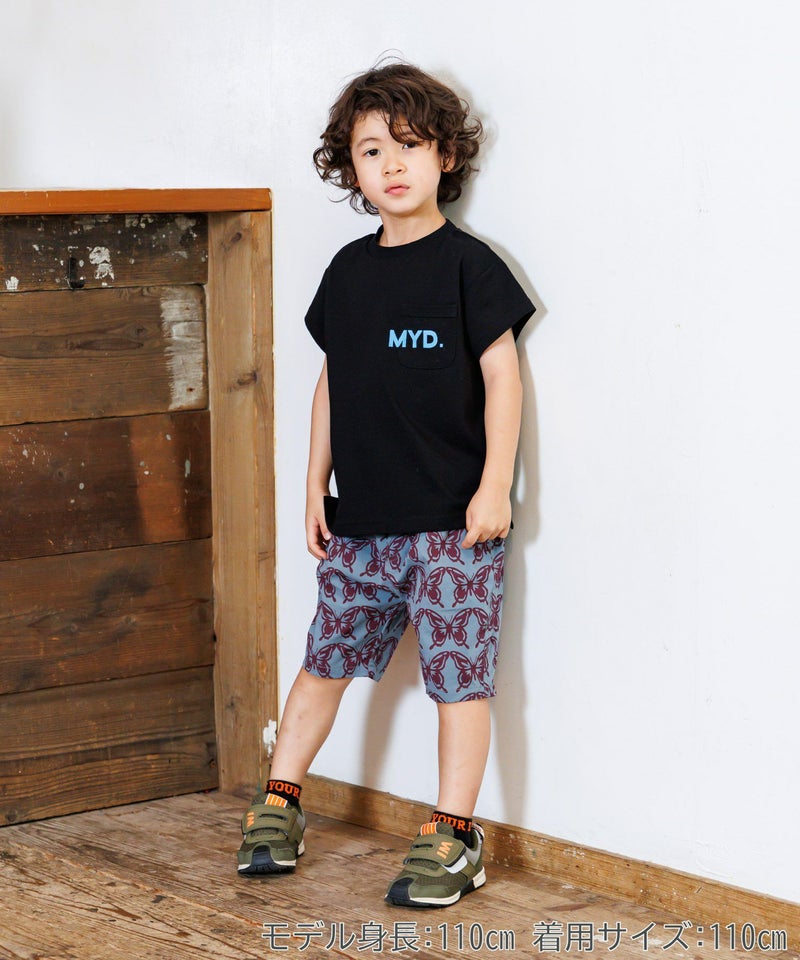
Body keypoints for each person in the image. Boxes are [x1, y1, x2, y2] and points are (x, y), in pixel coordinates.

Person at [237, 60, 535, 908]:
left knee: (458, 680)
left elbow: (503, 379)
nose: (393, 164)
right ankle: (281, 801)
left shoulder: (470, 268)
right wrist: (312, 486)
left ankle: (454, 834)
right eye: (372, 150)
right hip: (361, 524)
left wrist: (495, 486)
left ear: (447, 156)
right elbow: (332, 383)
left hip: (453, 526)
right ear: (352, 169)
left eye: (410, 145)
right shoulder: (346, 274)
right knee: (323, 661)